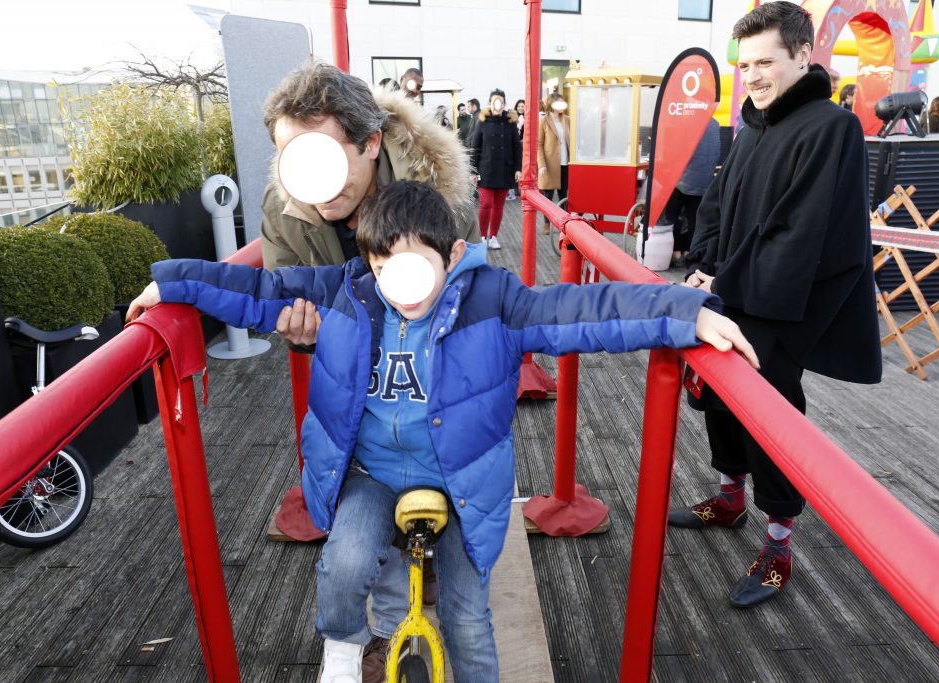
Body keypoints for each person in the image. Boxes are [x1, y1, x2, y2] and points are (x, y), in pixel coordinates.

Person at [127, 179, 758, 683]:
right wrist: (172, 283)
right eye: (383, 268)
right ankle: (344, 652)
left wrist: (686, 312)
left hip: (459, 482)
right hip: (371, 474)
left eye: (416, 268)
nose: (400, 287)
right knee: (345, 561)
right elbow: (261, 287)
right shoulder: (347, 294)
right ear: (367, 264)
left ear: (454, 255)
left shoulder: (494, 302)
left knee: (465, 617)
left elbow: (586, 311)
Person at [256, 61, 480, 681]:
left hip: (433, 387)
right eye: (294, 159)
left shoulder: (442, 196)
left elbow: (474, 303)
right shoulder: (290, 211)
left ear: (372, 142)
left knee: (443, 522)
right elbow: (279, 295)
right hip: (359, 399)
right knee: (361, 523)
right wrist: (303, 336)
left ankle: (430, 578)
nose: (312, 184)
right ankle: (375, 632)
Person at [670, 1, 882, 609]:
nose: (753, 76)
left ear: (802, 56)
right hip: (731, 296)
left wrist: (728, 287)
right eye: (745, 65)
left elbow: (800, 233)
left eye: (765, 62)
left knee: (772, 423)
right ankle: (731, 497)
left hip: (779, 309)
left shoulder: (829, 127)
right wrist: (703, 266)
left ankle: (780, 543)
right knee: (716, 404)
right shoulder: (753, 124)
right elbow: (716, 204)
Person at [661, 118, 720, 266]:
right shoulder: (714, 123)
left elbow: (678, 150)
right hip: (704, 180)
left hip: (683, 179)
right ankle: (689, 252)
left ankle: (676, 252)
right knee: (694, 218)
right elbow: (718, 152)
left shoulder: (690, 119)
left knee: (672, 214)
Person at [470, 89, 522, 249]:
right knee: (485, 204)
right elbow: (475, 147)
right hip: (486, 170)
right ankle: (482, 236)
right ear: (490, 103)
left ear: (504, 104)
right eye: (494, 102)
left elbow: (516, 147)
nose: (497, 105)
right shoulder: (482, 121)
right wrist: (472, 171)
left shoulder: (510, 122)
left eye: (500, 102)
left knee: (499, 206)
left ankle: (494, 236)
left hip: (505, 169)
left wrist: (518, 169)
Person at [537, 92, 571, 235]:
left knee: (564, 195)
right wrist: (542, 164)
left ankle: (564, 223)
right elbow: (538, 144)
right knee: (548, 196)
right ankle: (546, 223)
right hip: (550, 164)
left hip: (566, 163)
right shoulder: (543, 121)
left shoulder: (568, 120)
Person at [508, 99, 526, 200]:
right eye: (519, 106)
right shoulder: (512, 117)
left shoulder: (528, 117)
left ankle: (521, 187)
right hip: (514, 145)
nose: (520, 108)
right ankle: (514, 188)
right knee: (515, 166)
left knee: (522, 166)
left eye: (522, 106)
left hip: (524, 145)